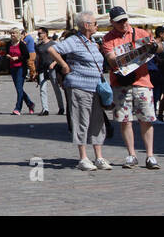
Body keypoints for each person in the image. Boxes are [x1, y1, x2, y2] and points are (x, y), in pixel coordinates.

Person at [47, 11, 114, 171]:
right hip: (79, 86)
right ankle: (83, 157)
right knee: (81, 121)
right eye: (95, 23)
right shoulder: (74, 41)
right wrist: (64, 65)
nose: (97, 25)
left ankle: (99, 157)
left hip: (96, 87)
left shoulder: (92, 42)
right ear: (86, 25)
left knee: (98, 122)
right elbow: (52, 50)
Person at [100, 6, 160, 169]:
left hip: (142, 81)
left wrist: (154, 47)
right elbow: (113, 60)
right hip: (121, 84)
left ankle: (150, 155)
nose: (123, 24)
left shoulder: (141, 33)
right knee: (125, 120)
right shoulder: (107, 39)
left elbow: (158, 49)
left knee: (146, 119)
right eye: (119, 22)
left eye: (125, 20)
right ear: (112, 22)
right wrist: (135, 54)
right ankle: (131, 154)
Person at [33, 27, 64, 117]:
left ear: (46, 34)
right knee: (42, 89)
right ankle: (45, 109)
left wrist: (54, 63)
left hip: (52, 68)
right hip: (42, 69)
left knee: (56, 88)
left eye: (40, 33)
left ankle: (61, 107)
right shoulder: (38, 46)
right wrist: (36, 70)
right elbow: (37, 58)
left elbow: (59, 55)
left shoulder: (53, 44)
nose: (39, 35)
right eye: (38, 34)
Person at [5, 28, 35, 115]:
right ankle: (30, 104)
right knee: (19, 89)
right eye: (11, 33)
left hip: (21, 68)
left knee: (19, 89)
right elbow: (6, 53)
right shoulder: (8, 44)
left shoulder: (21, 44)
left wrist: (18, 58)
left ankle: (18, 108)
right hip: (12, 67)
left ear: (18, 34)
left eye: (14, 33)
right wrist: (7, 56)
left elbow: (27, 56)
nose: (12, 35)